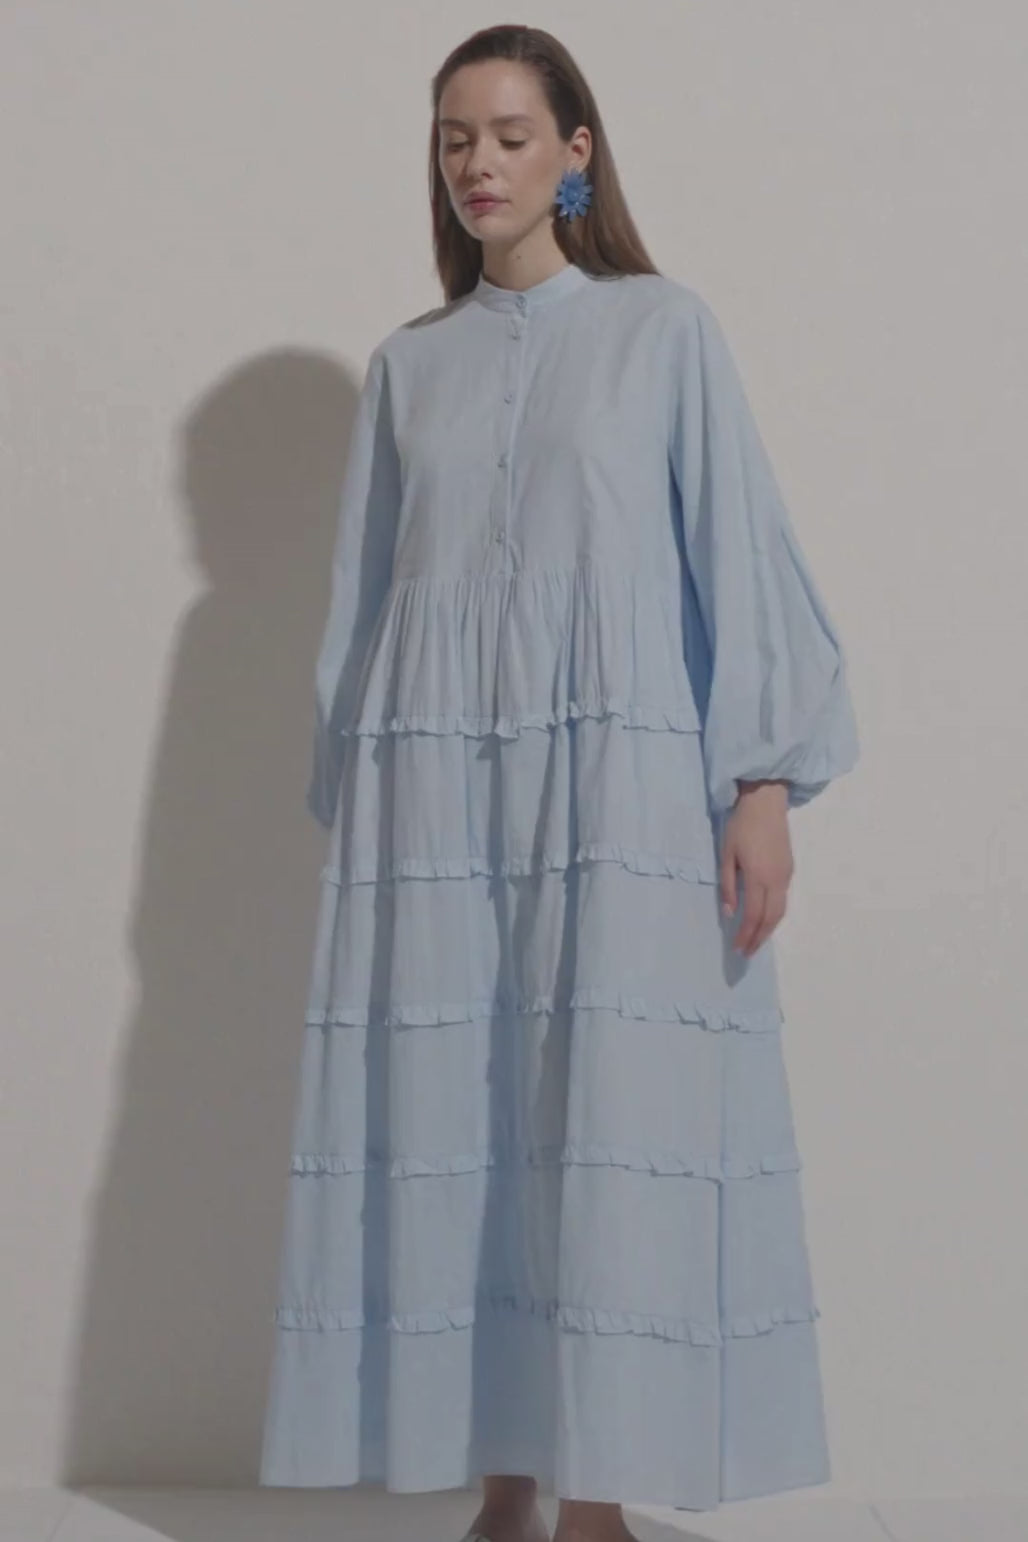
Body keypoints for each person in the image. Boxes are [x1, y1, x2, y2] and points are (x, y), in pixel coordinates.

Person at [259, 23, 859, 1542]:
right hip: (436, 798)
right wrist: (364, 813)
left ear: (576, 152)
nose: (480, 164)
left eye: (512, 135)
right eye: (456, 137)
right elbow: (364, 610)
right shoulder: (407, 369)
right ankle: (505, 1487)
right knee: (464, 1115)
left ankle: (593, 1500)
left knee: (600, 1113)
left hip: (619, 789)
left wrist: (762, 782)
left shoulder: (662, 331)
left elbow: (738, 554)